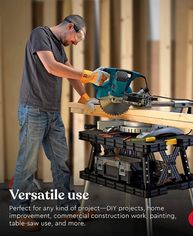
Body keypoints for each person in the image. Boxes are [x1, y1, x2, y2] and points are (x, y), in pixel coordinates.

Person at [11, 15, 108, 231]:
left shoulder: (59, 46)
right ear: (70, 26)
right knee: (27, 165)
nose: (74, 43)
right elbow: (52, 67)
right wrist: (90, 76)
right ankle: (20, 213)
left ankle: (69, 210)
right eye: (76, 38)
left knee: (61, 163)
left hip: (52, 113)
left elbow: (71, 73)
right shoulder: (40, 34)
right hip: (33, 110)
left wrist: (84, 97)